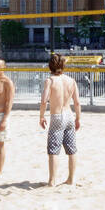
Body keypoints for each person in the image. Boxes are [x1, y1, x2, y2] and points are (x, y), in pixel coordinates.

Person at [39, 52, 81, 186]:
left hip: (57, 115)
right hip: (69, 115)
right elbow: (77, 102)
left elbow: (44, 100)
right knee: (71, 149)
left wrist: (41, 116)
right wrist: (78, 118)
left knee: (53, 149)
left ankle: (52, 180)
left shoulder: (50, 81)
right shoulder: (71, 81)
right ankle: (71, 179)